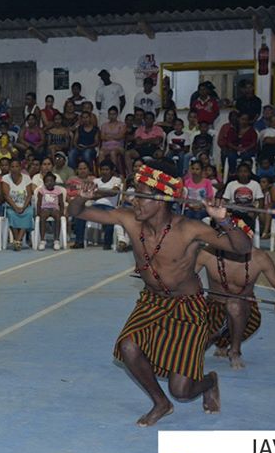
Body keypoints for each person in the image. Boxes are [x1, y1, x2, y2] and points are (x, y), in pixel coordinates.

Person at [69, 160, 252, 426]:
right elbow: (77, 212)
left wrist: (224, 220)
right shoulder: (129, 219)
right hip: (151, 301)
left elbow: (242, 248)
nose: (134, 201)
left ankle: (209, 382)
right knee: (128, 346)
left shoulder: (189, 229)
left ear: (162, 199)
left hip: (188, 308)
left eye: (141, 196)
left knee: (182, 390)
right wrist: (81, 197)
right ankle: (160, 403)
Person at [197, 236, 275, 370]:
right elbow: (184, 279)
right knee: (194, 350)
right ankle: (218, 337)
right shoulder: (208, 253)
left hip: (244, 312)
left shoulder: (259, 258)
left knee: (234, 304)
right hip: (213, 308)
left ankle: (235, 351)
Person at [1, 158, 34, 250]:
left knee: (29, 213)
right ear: (9, 168)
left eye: (17, 166)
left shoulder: (26, 178)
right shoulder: (5, 178)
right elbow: (6, 195)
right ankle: (17, 239)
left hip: (25, 205)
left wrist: (23, 207)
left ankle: (18, 240)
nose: (14, 169)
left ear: (20, 167)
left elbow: (29, 195)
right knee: (11, 214)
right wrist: (15, 207)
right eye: (12, 167)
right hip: (11, 206)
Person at [35, 172, 64, 250]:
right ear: (44, 183)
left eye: (51, 181)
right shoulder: (41, 190)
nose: (49, 183)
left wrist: (62, 212)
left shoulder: (58, 190)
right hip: (45, 208)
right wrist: (38, 212)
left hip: (55, 209)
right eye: (47, 181)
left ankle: (56, 240)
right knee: (42, 217)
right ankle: (42, 240)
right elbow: (38, 202)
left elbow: (61, 203)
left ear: (54, 182)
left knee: (58, 217)